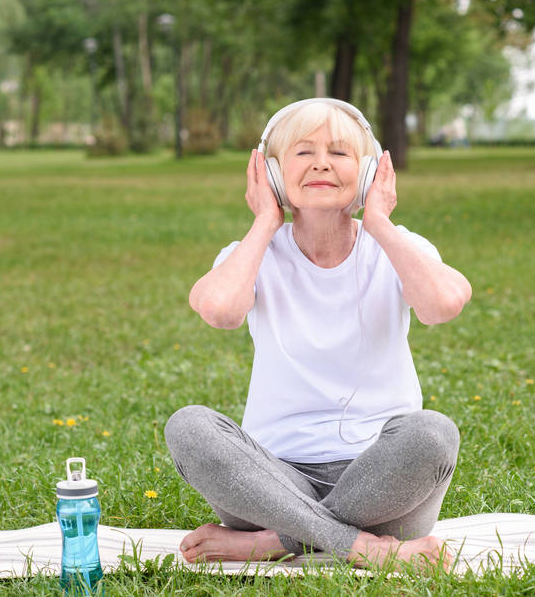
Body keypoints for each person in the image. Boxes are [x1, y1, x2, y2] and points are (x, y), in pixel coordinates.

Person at [164, 98, 472, 568]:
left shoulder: (397, 246)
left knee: (433, 432)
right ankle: (357, 548)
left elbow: (444, 303)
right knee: (188, 425)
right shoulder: (251, 252)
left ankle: (274, 544)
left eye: (340, 152)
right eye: (303, 152)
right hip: (271, 485)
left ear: (369, 173)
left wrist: (380, 223)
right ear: (270, 174)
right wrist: (265, 220)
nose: (322, 163)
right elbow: (220, 310)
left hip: (384, 490)